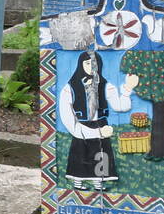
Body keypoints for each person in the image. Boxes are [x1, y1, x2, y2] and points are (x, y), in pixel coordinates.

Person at [58, 50, 137, 187]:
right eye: (87, 64)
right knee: (80, 153)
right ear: (80, 65)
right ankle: (78, 180)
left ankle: (98, 182)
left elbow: (120, 106)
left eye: (94, 64)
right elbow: (66, 116)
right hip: (81, 126)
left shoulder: (106, 85)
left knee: (100, 153)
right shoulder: (69, 88)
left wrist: (127, 89)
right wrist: (84, 131)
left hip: (100, 124)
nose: (91, 67)